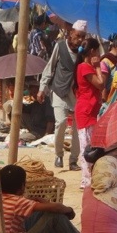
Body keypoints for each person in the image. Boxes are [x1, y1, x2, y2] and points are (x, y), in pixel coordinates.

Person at [38, 20, 85, 170]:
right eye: (78, 36)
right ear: (71, 34)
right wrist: (42, 88)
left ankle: (73, 160)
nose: (80, 40)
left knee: (78, 127)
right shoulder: (60, 46)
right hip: (59, 90)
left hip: (76, 93)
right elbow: (50, 67)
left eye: (82, 37)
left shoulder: (83, 52)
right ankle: (59, 155)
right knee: (61, 122)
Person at [73, 36, 105, 189]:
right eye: (97, 51)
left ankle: (90, 178)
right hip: (86, 111)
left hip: (90, 110)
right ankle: (86, 180)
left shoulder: (84, 66)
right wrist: (98, 66)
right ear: (92, 51)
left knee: (91, 145)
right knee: (87, 148)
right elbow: (100, 84)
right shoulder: (85, 67)